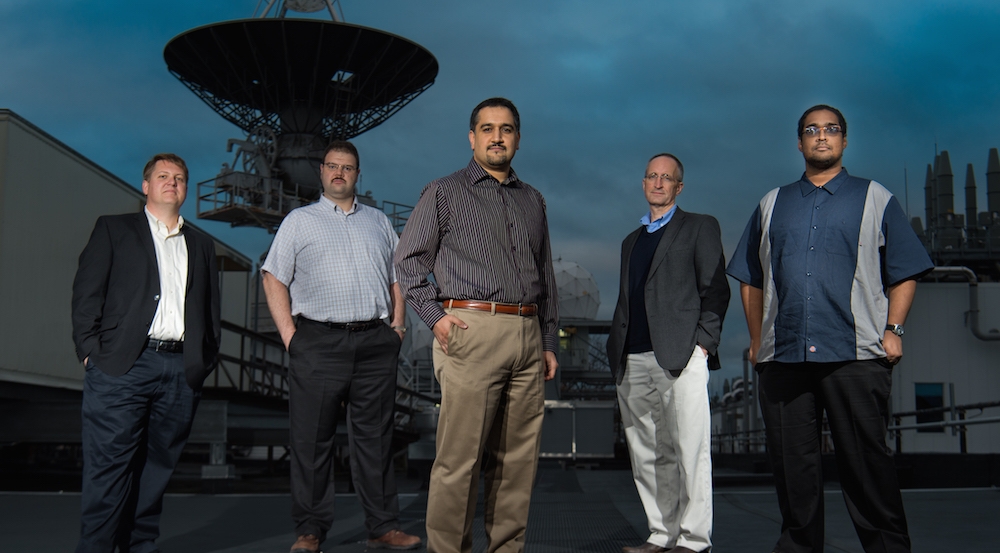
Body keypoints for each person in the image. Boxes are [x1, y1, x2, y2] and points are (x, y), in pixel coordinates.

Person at [727, 105, 933, 553]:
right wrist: (758, 339)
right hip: (784, 360)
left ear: (844, 140)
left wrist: (894, 328)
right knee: (794, 477)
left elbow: (904, 270)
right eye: (812, 130)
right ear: (799, 142)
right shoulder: (771, 203)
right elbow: (750, 277)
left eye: (832, 130)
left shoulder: (875, 197)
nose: (822, 137)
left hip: (855, 357)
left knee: (868, 471)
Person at [394, 97, 559, 553]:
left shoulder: (534, 200)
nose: (497, 137)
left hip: (526, 335)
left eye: (506, 129)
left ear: (518, 139)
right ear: (472, 138)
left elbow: (544, 275)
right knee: (459, 460)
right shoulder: (443, 192)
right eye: (487, 129)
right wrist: (437, 318)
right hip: (470, 331)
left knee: (516, 462)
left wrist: (547, 340)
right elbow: (407, 261)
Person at [260, 141, 421, 552]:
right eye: (332, 166)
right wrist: (290, 337)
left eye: (347, 167)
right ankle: (310, 530)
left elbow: (397, 277)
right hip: (317, 341)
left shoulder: (379, 222)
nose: (339, 173)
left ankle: (382, 526)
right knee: (312, 440)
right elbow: (273, 277)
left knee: (376, 439)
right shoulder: (299, 221)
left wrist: (397, 326)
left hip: (374, 341)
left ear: (357, 174)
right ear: (321, 172)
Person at [71, 153, 221, 553]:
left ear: (186, 189)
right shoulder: (114, 230)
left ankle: (139, 547)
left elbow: (210, 311)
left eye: (180, 178)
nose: (172, 182)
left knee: (155, 474)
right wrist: (91, 352)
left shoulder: (203, 245)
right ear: (146, 186)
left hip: (178, 372)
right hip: (123, 367)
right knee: (108, 473)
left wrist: (202, 363)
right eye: (163, 176)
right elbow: (87, 295)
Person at [606, 153, 729, 553]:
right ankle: (662, 534)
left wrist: (703, 345)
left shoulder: (699, 227)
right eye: (652, 176)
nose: (658, 183)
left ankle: (694, 540)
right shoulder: (630, 241)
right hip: (633, 358)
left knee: (690, 450)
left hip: (681, 355)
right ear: (643, 183)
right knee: (647, 455)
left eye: (667, 178)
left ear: (679, 187)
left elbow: (716, 289)